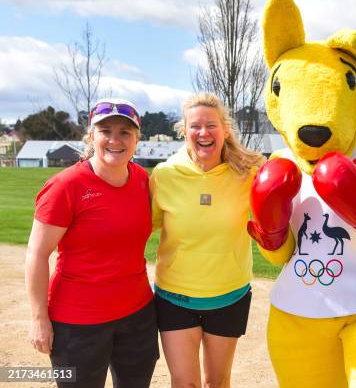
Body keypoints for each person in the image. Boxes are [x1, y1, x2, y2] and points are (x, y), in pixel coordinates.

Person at [25, 98, 158, 388]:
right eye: (105, 130)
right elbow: (37, 254)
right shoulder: (66, 186)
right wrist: (39, 318)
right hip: (77, 322)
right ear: (91, 136)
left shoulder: (143, 180)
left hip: (137, 316)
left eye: (125, 132)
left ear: (137, 139)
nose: (115, 139)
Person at [150, 92, 264, 388]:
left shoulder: (249, 173)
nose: (203, 133)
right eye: (195, 126)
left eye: (211, 125)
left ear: (225, 130)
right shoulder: (164, 175)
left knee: (217, 382)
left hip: (230, 295)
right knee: (185, 383)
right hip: (175, 297)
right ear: (184, 132)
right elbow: (139, 230)